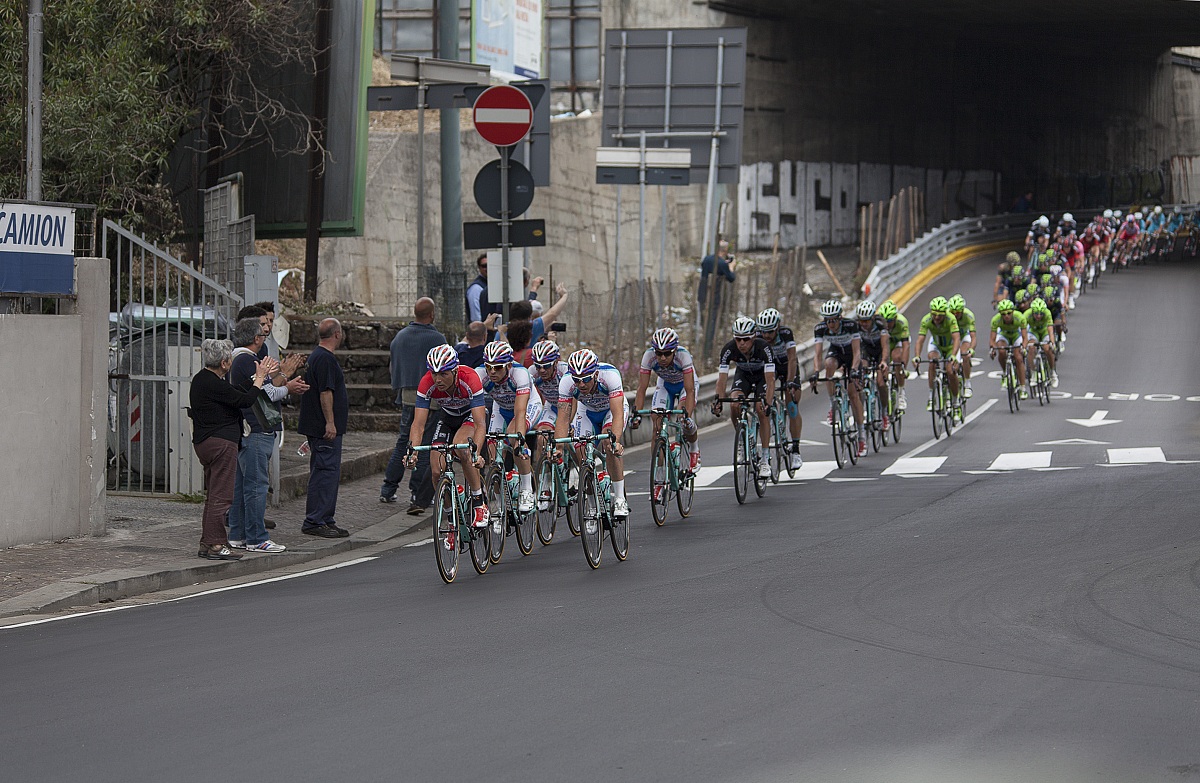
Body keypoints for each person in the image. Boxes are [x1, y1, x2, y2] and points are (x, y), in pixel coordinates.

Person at [189, 338, 277, 560]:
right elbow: (245, 401)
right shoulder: (213, 383)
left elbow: (235, 393)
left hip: (206, 442)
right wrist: (259, 380)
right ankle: (216, 544)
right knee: (221, 497)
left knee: (213, 496)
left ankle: (207, 542)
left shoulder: (204, 380)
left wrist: (255, 378)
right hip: (220, 443)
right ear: (225, 363)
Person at [228, 318, 308, 552]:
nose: (264, 340)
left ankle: (238, 534)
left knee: (241, 486)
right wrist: (289, 387)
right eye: (263, 336)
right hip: (256, 428)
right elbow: (268, 393)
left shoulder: (233, 359)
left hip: (242, 428)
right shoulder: (249, 361)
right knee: (256, 487)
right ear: (256, 339)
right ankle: (256, 537)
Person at [406, 345, 491, 527]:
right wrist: (412, 452)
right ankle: (452, 520)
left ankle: (478, 503)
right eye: (434, 374)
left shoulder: (469, 378)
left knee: (461, 448)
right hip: (448, 417)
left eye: (443, 374)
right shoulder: (426, 383)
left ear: (455, 370)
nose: (438, 379)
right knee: (436, 470)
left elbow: (480, 423)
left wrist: (476, 452)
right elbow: (418, 424)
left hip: (470, 416)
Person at [381, 297, 448, 514]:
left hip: (407, 395)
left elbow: (393, 366)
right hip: (431, 398)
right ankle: (416, 491)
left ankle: (388, 488)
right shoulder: (437, 338)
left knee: (404, 441)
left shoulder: (400, 337)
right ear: (432, 314)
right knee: (425, 443)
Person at [554, 349, 630, 523]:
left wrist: (615, 441)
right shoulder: (566, 382)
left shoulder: (609, 376)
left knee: (608, 444)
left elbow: (617, 414)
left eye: (586, 379)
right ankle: (591, 506)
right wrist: (558, 447)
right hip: (587, 412)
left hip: (609, 412)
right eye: (577, 380)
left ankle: (619, 498)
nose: (581, 384)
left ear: (595, 374)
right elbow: (563, 417)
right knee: (582, 455)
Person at [298, 318, 350, 538]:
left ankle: (325, 518)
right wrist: (330, 422)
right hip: (324, 429)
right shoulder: (326, 359)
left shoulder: (315, 357)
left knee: (326, 472)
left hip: (316, 426)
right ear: (337, 334)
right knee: (325, 473)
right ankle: (316, 519)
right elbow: (325, 393)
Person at [477, 341, 542, 513]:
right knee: (493, 452)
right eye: (488, 367)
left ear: (509, 365)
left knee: (514, 436)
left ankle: (527, 489)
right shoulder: (480, 375)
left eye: (497, 367)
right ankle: (498, 505)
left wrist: (519, 440)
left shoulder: (520, 374)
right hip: (501, 408)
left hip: (527, 406)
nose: (492, 372)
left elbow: (520, 412)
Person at [630, 327, 702, 475]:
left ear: (674, 350)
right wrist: (636, 413)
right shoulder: (648, 356)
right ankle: (659, 475)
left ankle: (694, 449)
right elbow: (642, 388)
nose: (662, 358)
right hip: (665, 385)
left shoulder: (683, 356)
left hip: (685, 385)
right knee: (657, 425)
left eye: (667, 353)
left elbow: (689, 391)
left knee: (683, 418)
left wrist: (687, 415)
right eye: (659, 353)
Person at [712, 316, 777, 476]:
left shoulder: (764, 348)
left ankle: (765, 459)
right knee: (734, 403)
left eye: (746, 339)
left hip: (762, 377)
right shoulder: (729, 349)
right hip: (744, 376)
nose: (741, 343)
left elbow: (770, 380)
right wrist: (718, 400)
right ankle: (742, 439)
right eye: (738, 339)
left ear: (754, 337)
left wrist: (768, 402)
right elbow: (722, 380)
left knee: (761, 409)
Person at [811, 301, 865, 458]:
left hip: (851, 357)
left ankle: (861, 437)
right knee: (828, 364)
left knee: (853, 394)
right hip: (836, 354)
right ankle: (832, 402)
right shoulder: (820, 329)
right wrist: (815, 372)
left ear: (840, 318)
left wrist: (854, 370)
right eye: (827, 320)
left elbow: (857, 352)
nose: (830, 323)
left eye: (833, 320)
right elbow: (818, 354)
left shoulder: (851, 326)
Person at [755, 308, 804, 470]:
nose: (766, 336)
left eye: (770, 332)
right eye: (763, 332)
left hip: (787, 367)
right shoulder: (757, 336)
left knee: (792, 406)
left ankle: (796, 450)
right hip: (770, 368)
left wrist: (790, 381)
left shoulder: (786, 334)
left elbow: (792, 359)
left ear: (777, 328)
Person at [912, 296, 962, 411]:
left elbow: (956, 339)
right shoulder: (926, 320)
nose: (936, 317)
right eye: (934, 314)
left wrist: (953, 355)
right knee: (932, 362)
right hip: (936, 345)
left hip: (950, 347)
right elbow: (920, 340)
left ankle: (955, 400)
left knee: (950, 371)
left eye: (940, 315)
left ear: (945, 313)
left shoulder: (951, 319)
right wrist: (917, 356)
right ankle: (931, 396)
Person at [853, 300, 891, 427]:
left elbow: (885, 345)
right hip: (866, 350)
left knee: (880, 383)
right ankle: (862, 409)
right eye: (861, 320)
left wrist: (884, 361)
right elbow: (855, 347)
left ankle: (885, 414)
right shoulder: (856, 326)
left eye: (866, 321)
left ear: (873, 318)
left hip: (880, 351)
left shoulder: (881, 324)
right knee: (860, 376)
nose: (863, 324)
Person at [698, 240, 736, 351]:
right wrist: (731, 266)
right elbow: (731, 278)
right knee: (712, 320)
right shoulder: (722, 264)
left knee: (704, 318)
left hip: (703, 293)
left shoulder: (706, 259)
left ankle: (704, 339)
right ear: (725, 251)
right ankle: (708, 346)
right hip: (714, 295)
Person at [989, 299, 1029, 398]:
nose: (1006, 316)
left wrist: (1023, 347)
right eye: (1003, 314)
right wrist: (993, 349)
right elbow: (992, 340)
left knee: (1019, 358)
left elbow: (1025, 338)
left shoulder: (1020, 317)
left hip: (1016, 335)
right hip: (1004, 335)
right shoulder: (995, 320)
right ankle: (1005, 373)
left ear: (1013, 312)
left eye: (1009, 313)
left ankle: (1023, 388)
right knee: (1001, 351)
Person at [877, 300, 909, 411]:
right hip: (885, 343)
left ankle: (901, 393)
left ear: (895, 318)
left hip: (897, 342)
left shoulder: (902, 322)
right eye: (884, 321)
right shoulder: (878, 324)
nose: (887, 324)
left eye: (889, 321)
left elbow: (906, 345)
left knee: (897, 358)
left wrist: (903, 364)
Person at [947, 294, 976, 398]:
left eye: (958, 313)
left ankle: (967, 384)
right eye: (952, 312)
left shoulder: (969, 316)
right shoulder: (946, 316)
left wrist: (971, 349)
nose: (955, 315)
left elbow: (973, 336)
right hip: (951, 338)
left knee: (964, 354)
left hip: (964, 336)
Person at [465, 254, 490, 324]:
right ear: (479, 268)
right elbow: (475, 317)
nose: (487, 268)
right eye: (484, 266)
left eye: (490, 265)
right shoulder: (476, 288)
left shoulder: (490, 284)